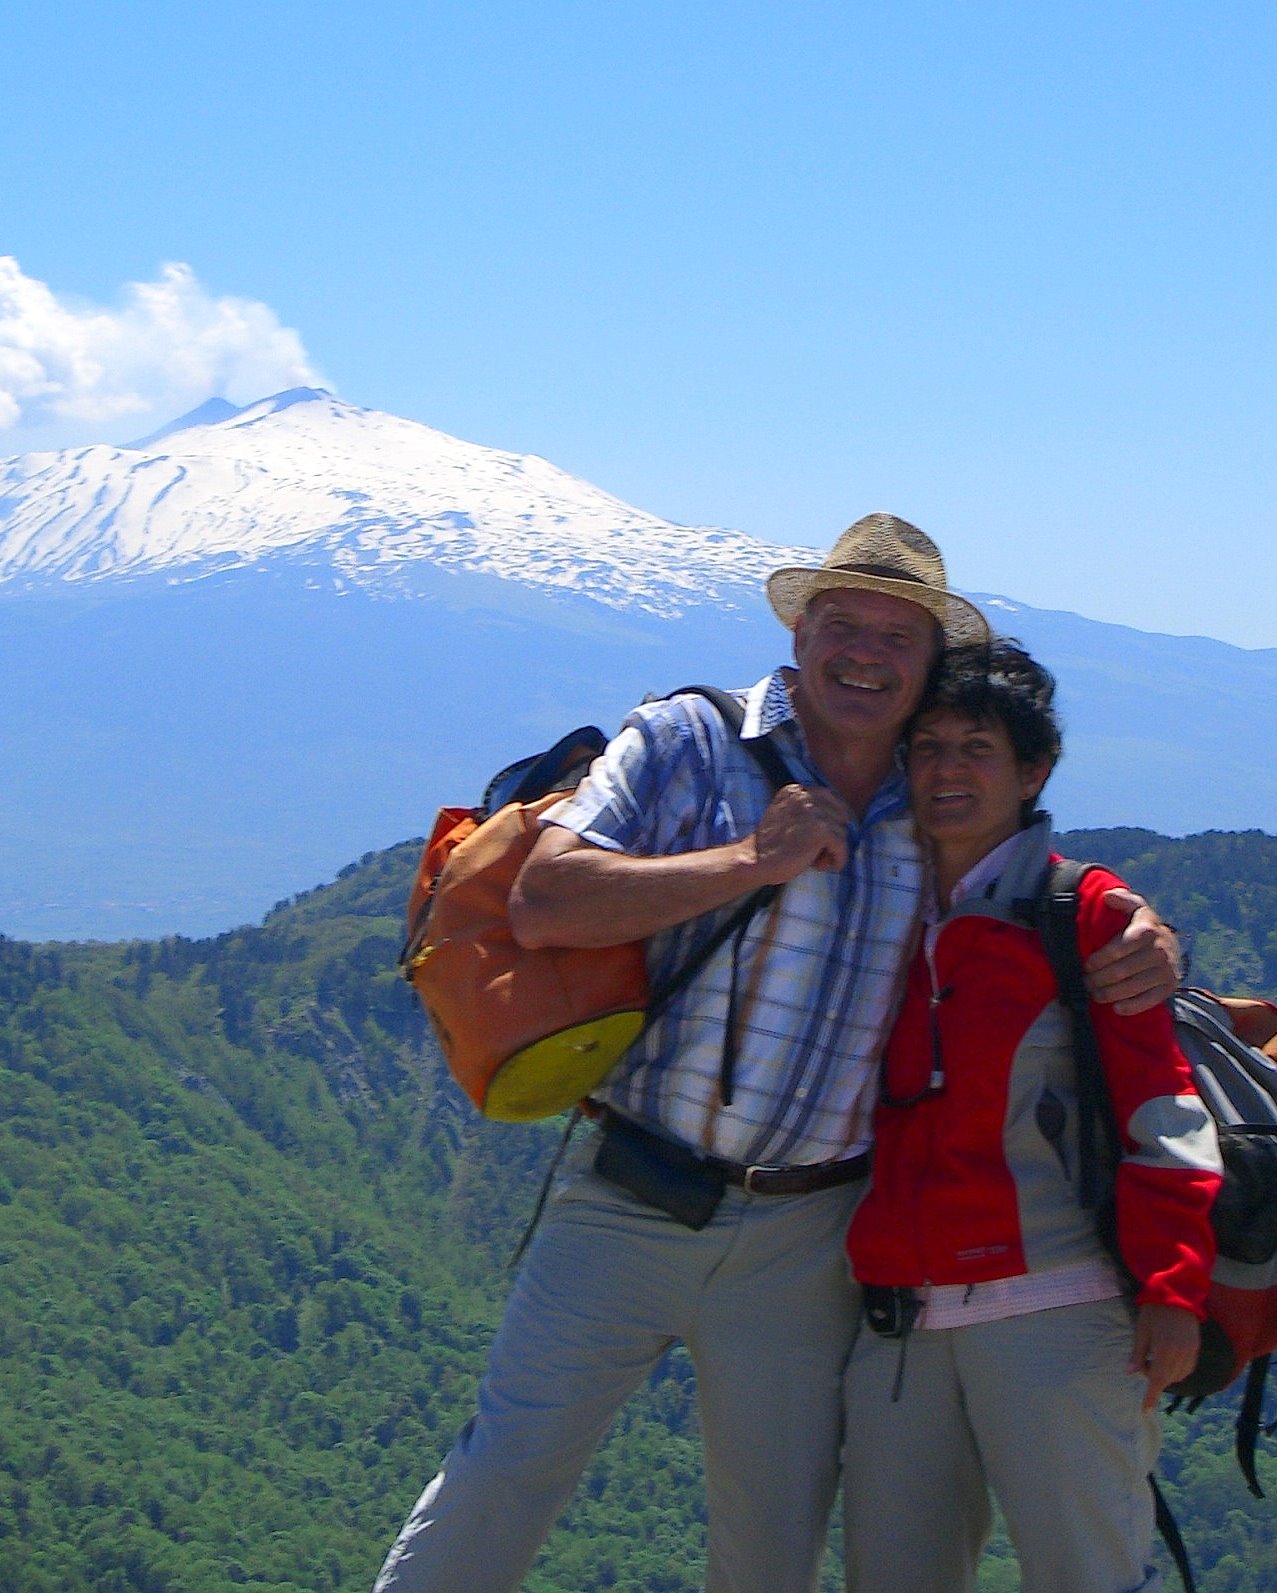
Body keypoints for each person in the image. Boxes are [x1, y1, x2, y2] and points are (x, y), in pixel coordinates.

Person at [374, 514, 1181, 1593]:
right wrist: (748, 859)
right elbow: (545, 898)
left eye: (899, 637)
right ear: (800, 629)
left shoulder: (925, 791)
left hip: (810, 1235)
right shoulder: (686, 739)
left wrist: (1136, 929)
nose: (866, 653)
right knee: (502, 1475)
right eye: (844, 622)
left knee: (772, 1540)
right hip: (628, 1189)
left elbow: (1016, 883)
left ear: (927, 662)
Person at [841, 640, 1223, 1593]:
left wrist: (1175, 1288)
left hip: (1060, 1311)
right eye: (926, 746)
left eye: (976, 747)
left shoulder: (1083, 916)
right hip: (900, 1324)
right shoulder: (871, 898)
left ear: (1032, 770)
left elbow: (1163, 1109)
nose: (945, 770)